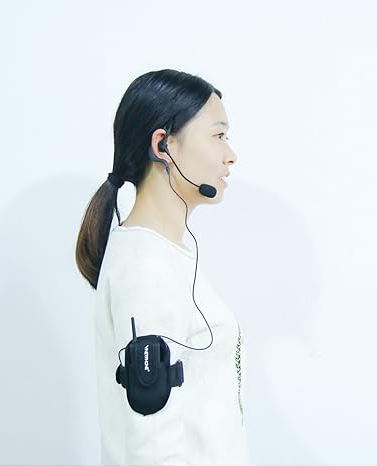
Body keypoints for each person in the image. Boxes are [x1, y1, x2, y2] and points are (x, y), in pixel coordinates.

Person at [75, 69, 252, 465]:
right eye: (218, 135)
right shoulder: (146, 268)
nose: (231, 155)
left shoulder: (166, 255)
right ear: (163, 145)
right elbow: (151, 443)